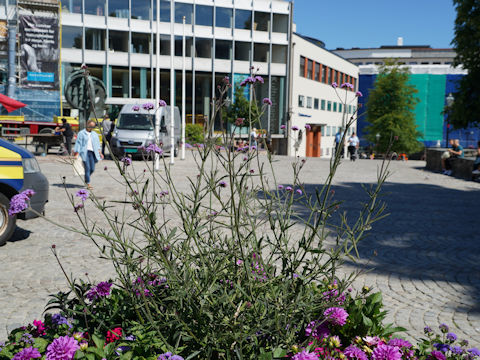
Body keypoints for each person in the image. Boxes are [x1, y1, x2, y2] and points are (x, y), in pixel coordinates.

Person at [74, 120, 103, 189]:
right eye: (90, 126)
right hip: (85, 152)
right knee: (87, 167)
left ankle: (86, 179)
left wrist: (100, 152)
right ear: (87, 125)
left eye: (93, 126)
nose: (91, 127)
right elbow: (78, 143)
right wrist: (76, 153)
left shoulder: (94, 134)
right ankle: (88, 183)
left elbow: (97, 144)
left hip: (93, 153)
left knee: (92, 169)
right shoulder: (81, 133)